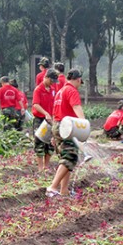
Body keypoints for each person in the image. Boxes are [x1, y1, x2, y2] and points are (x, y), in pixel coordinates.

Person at [46, 68, 86, 197]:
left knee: (65, 158)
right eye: (80, 82)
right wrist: (84, 126)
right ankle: (52, 187)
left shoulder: (60, 91)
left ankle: (64, 191)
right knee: (70, 157)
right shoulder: (72, 91)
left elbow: (54, 112)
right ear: (78, 79)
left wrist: (54, 134)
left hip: (58, 126)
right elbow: (77, 107)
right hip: (67, 128)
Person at [32, 69, 58, 172]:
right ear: (46, 77)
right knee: (40, 141)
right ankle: (40, 167)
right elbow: (36, 104)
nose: (52, 83)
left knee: (50, 143)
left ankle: (46, 166)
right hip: (40, 119)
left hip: (50, 120)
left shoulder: (52, 90)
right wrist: (45, 113)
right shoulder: (38, 90)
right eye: (51, 80)